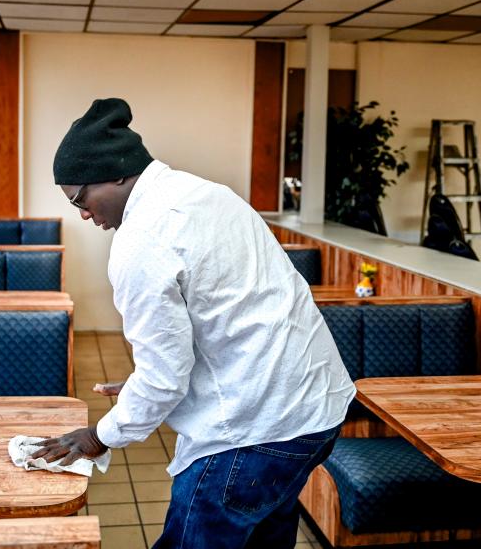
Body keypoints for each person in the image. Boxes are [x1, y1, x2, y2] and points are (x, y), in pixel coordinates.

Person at [33, 97, 355, 548]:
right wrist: (148, 382)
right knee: (265, 537)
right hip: (315, 410)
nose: (84, 214)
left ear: (118, 172)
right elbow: (234, 315)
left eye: (81, 199)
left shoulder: (141, 241)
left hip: (255, 431)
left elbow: (165, 378)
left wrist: (97, 435)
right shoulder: (206, 193)